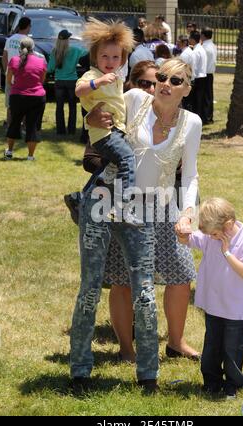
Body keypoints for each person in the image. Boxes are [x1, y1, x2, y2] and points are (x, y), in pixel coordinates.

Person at [86, 59, 202, 362]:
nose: (165, 84)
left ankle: (176, 342)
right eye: (162, 77)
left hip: (164, 205)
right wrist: (93, 118)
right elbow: (101, 113)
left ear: (187, 89)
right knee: (123, 281)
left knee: (180, 275)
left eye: (176, 81)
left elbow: (189, 174)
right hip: (123, 205)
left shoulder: (192, 123)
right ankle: (126, 349)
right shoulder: (136, 99)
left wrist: (187, 212)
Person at [177, 198, 243, 398]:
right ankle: (211, 382)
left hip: (235, 310)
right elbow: (189, 240)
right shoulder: (210, 238)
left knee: (232, 351)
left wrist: (227, 252)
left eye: (214, 233)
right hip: (214, 307)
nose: (211, 238)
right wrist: (181, 233)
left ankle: (233, 384)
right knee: (211, 348)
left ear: (228, 225)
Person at [64, 60, 159, 225]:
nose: (150, 89)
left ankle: (81, 198)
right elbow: (89, 160)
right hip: (108, 203)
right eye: (144, 83)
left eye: (155, 84)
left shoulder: (167, 116)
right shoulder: (117, 110)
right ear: (132, 83)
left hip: (153, 204)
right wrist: (119, 165)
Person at [75, 18, 141, 226]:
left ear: (122, 60)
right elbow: (79, 90)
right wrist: (97, 82)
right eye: (105, 56)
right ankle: (123, 208)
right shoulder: (92, 75)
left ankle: (82, 197)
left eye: (115, 57)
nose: (110, 60)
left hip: (116, 131)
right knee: (127, 160)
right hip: (104, 134)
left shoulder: (117, 79)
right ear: (95, 57)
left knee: (109, 168)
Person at [4, 37, 47, 161]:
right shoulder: (41, 61)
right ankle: (30, 156)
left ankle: (10, 152)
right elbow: (42, 80)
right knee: (32, 126)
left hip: (17, 96)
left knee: (14, 123)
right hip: (37, 97)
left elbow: (8, 80)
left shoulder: (14, 60)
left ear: (19, 47)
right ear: (33, 48)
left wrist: (16, 87)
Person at [47, 29, 88, 135]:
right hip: (72, 81)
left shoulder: (54, 51)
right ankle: (71, 130)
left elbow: (50, 68)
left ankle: (60, 130)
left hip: (59, 81)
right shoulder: (75, 50)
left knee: (59, 106)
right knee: (72, 106)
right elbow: (86, 53)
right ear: (68, 39)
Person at [2, 17, 32, 128]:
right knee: (24, 102)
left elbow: (4, 57)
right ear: (28, 26)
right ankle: (23, 125)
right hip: (23, 77)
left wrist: (6, 72)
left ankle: (9, 125)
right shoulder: (29, 41)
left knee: (10, 103)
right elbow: (30, 59)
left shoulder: (10, 39)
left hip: (10, 75)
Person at [183, 31, 207, 118]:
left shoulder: (196, 51)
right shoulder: (201, 48)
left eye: (190, 38)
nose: (188, 40)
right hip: (203, 76)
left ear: (192, 40)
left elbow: (194, 67)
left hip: (198, 78)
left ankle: (196, 117)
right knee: (199, 99)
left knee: (195, 100)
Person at [201, 27, 217, 125]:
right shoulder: (213, 46)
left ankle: (206, 117)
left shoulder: (204, 47)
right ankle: (209, 116)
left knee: (204, 96)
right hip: (210, 73)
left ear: (203, 35)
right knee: (209, 96)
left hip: (204, 73)